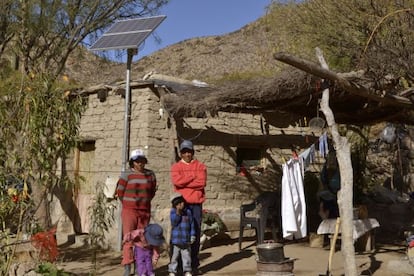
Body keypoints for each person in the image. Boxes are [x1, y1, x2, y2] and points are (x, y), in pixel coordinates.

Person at [116, 149, 157, 275]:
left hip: (144, 210)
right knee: (128, 238)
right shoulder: (126, 174)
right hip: (129, 210)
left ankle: (141, 268)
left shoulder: (150, 174)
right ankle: (127, 267)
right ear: (132, 162)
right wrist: (129, 203)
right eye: (137, 161)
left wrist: (144, 202)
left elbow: (152, 191)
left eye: (142, 161)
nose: (140, 164)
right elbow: (120, 192)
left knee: (142, 240)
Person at [171, 140, 207, 274]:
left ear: (192, 152)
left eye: (189, 152)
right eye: (184, 152)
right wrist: (192, 177)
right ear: (181, 153)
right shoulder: (176, 167)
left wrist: (185, 182)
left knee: (195, 234)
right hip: (181, 204)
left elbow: (201, 183)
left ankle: (193, 265)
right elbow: (176, 182)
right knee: (179, 233)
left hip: (196, 204)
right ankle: (178, 265)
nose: (187, 154)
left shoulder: (200, 166)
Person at [168, 192, 196, 276]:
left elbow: (192, 224)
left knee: (186, 256)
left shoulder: (188, 212)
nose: (181, 204)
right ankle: (172, 271)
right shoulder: (173, 212)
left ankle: (187, 270)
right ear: (175, 205)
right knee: (174, 257)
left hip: (186, 239)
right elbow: (174, 222)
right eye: (178, 204)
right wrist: (178, 212)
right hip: (176, 240)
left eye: (182, 202)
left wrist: (192, 235)